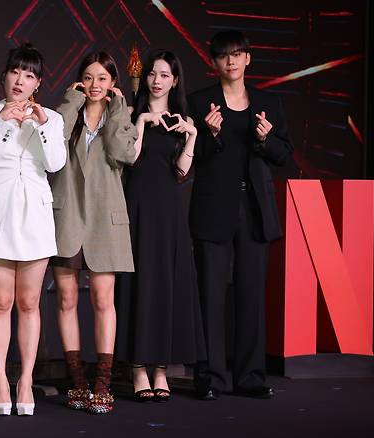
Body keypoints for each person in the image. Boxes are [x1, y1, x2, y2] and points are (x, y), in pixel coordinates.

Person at [187, 30, 293, 401]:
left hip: (254, 209)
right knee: (210, 295)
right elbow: (190, 158)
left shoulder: (269, 102)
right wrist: (210, 134)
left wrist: (265, 139)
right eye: (223, 56)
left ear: (248, 58)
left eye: (237, 54)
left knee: (251, 295)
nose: (230, 61)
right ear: (214, 63)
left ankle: (249, 376)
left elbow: (284, 155)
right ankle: (210, 377)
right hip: (213, 207)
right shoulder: (199, 102)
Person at [0, 43, 66, 416]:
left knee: (29, 302)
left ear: (38, 83)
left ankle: (25, 378)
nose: (20, 80)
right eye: (15, 72)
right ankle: (0, 378)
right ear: (4, 75)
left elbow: (56, 164)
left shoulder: (52, 119)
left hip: (35, 216)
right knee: (1, 302)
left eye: (29, 75)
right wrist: (4, 124)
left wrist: (41, 127)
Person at [115, 49, 206, 403]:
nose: (156, 80)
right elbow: (131, 160)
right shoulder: (129, 115)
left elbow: (182, 172)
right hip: (136, 209)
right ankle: (138, 368)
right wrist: (140, 124)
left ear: (175, 80)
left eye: (165, 74)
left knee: (166, 286)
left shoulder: (181, 119)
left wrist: (193, 135)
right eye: (153, 73)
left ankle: (161, 370)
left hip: (169, 213)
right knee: (139, 284)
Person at [51, 51, 138, 414]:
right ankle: (78, 382)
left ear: (113, 83)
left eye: (102, 78)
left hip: (105, 220)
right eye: (88, 77)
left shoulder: (121, 118)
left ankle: (103, 382)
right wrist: (71, 101)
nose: (94, 85)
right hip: (67, 215)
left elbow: (125, 154)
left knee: (103, 301)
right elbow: (51, 144)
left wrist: (119, 111)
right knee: (67, 300)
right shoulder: (66, 114)